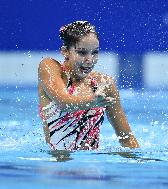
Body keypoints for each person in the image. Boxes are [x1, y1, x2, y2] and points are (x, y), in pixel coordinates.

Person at [38, 21, 139, 150]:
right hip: (57, 163)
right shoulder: (50, 67)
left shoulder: (104, 84)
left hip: (92, 164)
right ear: (65, 52)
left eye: (95, 52)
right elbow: (63, 102)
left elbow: (127, 139)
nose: (90, 60)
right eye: (82, 53)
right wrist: (92, 101)